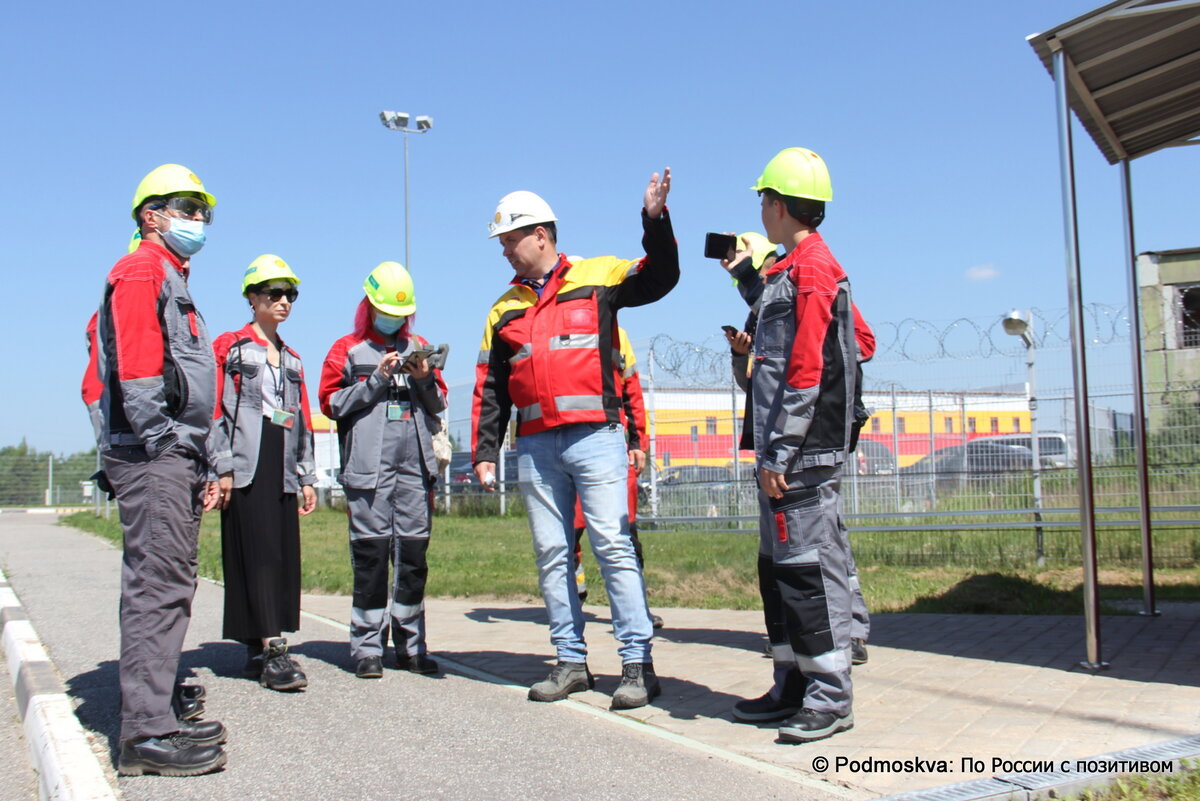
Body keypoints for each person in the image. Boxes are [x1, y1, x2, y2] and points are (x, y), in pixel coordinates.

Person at [471, 171, 678, 710]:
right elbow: (491, 386)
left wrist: (655, 221)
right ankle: (570, 662)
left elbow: (660, 278)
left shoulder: (598, 275)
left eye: (510, 240)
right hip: (537, 449)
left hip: (597, 439)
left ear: (541, 234)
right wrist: (485, 451)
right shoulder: (503, 310)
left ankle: (637, 664)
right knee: (553, 553)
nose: (505, 252)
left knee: (612, 545)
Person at [729, 148, 875, 744]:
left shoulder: (813, 269)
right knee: (780, 571)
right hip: (780, 452)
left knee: (810, 573)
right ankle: (790, 682)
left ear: (779, 204)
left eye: (763, 198)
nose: (761, 209)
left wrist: (783, 452)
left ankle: (829, 695)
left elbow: (810, 369)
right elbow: (847, 341)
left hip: (798, 455)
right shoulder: (790, 270)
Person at [96, 163, 227, 776]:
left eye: (204, 211)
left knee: (167, 581)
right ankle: (146, 734)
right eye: (187, 208)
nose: (199, 220)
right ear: (152, 216)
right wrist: (165, 442)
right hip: (154, 454)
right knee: (159, 585)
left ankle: (156, 707)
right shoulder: (143, 270)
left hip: (170, 453)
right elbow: (143, 368)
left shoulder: (172, 275)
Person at [721, 233, 872, 666]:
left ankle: (849, 632)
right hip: (776, 446)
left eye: (757, 270)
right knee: (786, 552)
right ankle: (796, 644)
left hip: (811, 438)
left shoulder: (810, 279)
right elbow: (756, 386)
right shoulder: (765, 314)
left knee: (824, 542)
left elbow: (860, 342)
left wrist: (813, 367)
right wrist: (740, 357)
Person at [319, 261, 447, 680]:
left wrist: (424, 378)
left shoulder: (420, 347)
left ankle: (411, 646)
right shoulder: (347, 350)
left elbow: (439, 406)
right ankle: (367, 648)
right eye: (384, 309)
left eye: (401, 312)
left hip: (414, 471)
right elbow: (330, 404)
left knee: (413, 558)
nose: (393, 319)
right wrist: (375, 380)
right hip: (368, 472)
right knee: (371, 559)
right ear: (368, 305)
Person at [209, 255, 318, 691]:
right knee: (253, 552)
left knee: (278, 554)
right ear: (252, 299)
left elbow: (302, 418)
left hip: (282, 460)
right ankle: (271, 648)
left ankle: (263, 641)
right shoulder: (231, 347)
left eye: (290, 294)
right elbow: (216, 408)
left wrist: (307, 475)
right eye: (274, 293)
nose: (283, 301)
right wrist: (222, 467)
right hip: (245, 461)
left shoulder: (292, 359)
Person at [569, 326, 662, 629]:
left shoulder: (618, 334)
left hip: (613, 448)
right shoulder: (548, 324)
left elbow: (632, 390)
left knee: (626, 535)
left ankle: (636, 610)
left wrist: (638, 443)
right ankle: (574, 597)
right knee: (567, 537)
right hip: (566, 448)